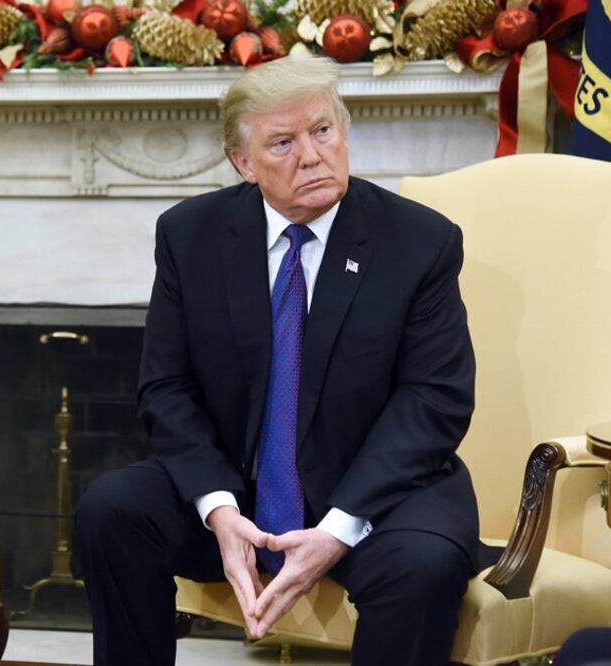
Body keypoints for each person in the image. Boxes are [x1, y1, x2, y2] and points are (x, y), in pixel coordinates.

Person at [76, 55, 478, 666]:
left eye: (323, 131)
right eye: (283, 142)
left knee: (423, 565)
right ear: (243, 163)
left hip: (376, 494)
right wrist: (218, 508)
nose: (312, 156)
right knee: (113, 510)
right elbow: (166, 387)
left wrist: (339, 526)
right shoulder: (191, 235)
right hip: (240, 492)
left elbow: (434, 399)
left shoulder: (420, 242)